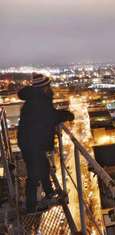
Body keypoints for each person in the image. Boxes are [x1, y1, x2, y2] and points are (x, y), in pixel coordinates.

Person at [17, 73, 74, 214]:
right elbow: (49, 117)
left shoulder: (36, 99)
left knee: (44, 166)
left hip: (31, 141)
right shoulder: (40, 101)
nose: (50, 88)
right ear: (44, 88)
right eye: (48, 86)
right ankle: (31, 207)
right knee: (34, 174)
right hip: (32, 143)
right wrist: (66, 115)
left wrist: (62, 114)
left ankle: (49, 193)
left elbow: (48, 114)